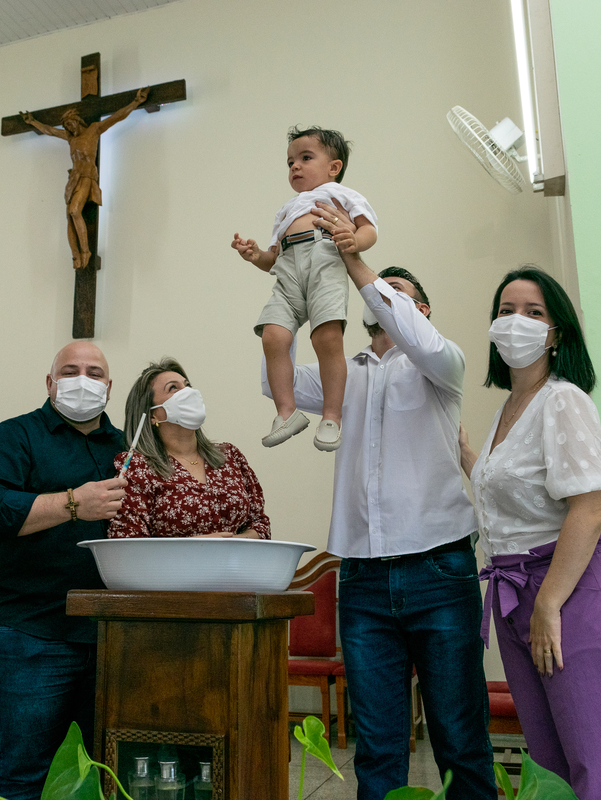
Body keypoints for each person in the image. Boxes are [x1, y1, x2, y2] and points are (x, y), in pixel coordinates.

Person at [262, 205, 496, 800]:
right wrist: (296, 276)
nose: (384, 296)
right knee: (379, 747)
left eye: (401, 293)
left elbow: (417, 338)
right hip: (362, 576)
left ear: (423, 311)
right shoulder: (345, 374)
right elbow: (272, 378)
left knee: (459, 739)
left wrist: (359, 263)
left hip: (439, 570)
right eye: (378, 292)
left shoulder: (443, 364)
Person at [457, 266, 601, 800]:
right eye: (507, 310)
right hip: (518, 593)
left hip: (571, 590)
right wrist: (468, 455)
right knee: (549, 768)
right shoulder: (505, 412)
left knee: (598, 761)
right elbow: (509, 493)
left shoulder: (563, 399)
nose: (517, 322)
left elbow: (587, 508)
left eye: (533, 313)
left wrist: (548, 606)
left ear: (556, 332)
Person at [0, 341, 127, 800]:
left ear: (110, 386)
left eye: (95, 373)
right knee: (26, 772)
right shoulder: (14, 435)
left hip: (114, 634)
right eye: (71, 370)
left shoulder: (126, 448)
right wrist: (73, 503)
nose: (83, 380)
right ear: (50, 382)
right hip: (31, 630)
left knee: (110, 769)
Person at [232, 126, 378, 452]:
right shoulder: (286, 209)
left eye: (305, 158)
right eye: (289, 162)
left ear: (334, 167)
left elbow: (369, 229)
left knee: (326, 337)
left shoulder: (342, 195)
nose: (295, 166)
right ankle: (286, 411)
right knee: (272, 335)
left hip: (324, 258)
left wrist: (355, 239)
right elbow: (273, 259)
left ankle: (331, 415)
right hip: (288, 269)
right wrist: (256, 255)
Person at [108, 357, 270, 539]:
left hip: (237, 565)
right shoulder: (138, 467)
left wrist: (236, 542)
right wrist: (196, 546)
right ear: (153, 414)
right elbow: (127, 541)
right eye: (173, 388)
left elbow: (260, 524)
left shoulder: (229, 455)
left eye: (187, 385)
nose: (189, 392)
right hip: (174, 568)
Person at [20, 87, 149, 269]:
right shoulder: (70, 138)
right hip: (73, 179)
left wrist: (136, 102)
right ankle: (75, 255)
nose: (68, 128)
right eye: (66, 126)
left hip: (88, 177)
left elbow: (117, 117)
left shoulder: (93, 130)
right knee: (69, 217)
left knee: (74, 211)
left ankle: (86, 251)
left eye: (70, 124)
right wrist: (33, 122)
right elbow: (49, 131)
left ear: (77, 120)